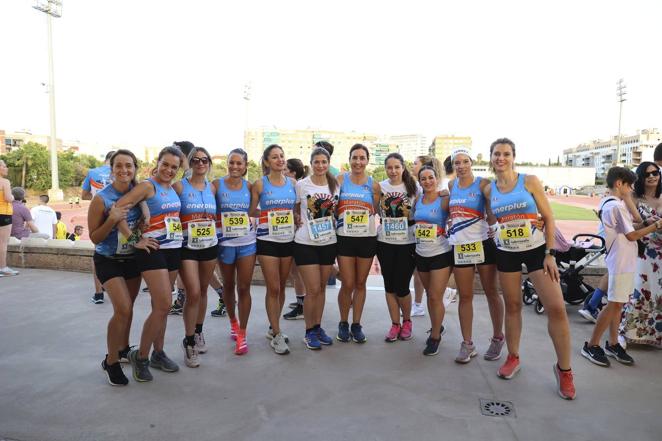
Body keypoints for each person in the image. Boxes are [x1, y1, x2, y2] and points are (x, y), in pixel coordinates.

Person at [483, 138, 576, 400]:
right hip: (507, 253)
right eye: (496, 154)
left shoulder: (529, 181)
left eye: (506, 154)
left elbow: (548, 217)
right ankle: (513, 357)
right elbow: (493, 218)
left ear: (513, 157)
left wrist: (549, 254)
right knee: (512, 306)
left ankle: (565, 370)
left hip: (537, 252)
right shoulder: (490, 190)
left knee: (556, 308)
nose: (501, 158)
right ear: (491, 158)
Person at [582, 166, 662, 367]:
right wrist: (656, 226)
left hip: (624, 259)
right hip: (620, 261)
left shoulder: (612, 203)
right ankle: (591, 345)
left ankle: (613, 343)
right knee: (613, 305)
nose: (631, 189)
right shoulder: (615, 206)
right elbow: (632, 235)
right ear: (619, 184)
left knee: (617, 304)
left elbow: (631, 227)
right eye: (629, 185)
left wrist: (646, 223)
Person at [118, 146, 185, 382]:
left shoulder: (172, 187)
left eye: (174, 167)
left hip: (173, 249)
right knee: (165, 303)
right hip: (152, 250)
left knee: (163, 307)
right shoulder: (148, 186)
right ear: (157, 163)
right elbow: (118, 210)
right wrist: (135, 239)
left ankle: (158, 352)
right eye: (165, 164)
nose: (168, 170)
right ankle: (141, 356)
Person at [87, 149, 144, 386]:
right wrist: (111, 220)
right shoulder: (101, 199)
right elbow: (95, 238)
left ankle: (122, 349)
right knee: (122, 309)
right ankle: (110, 361)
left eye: (128, 165)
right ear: (111, 170)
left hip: (132, 259)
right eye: (119, 166)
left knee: (129, 310)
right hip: (108, 260)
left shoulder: (139, 194)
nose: (124, 170)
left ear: (135, 168)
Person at [447, 148, 505, 363]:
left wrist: (496, 227)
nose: (461, 166)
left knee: (491, 292)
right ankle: (467, 344)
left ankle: (498, 337)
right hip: (461, 245)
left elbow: (492, 211)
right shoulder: (452, 185)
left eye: (464, 162)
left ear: (471, 162)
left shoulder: (483, 184)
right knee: (465, 295)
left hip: (482, 243)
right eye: (456, 163)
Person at [249, 144, 297, 355]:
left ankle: (273, 327)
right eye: (275, 157)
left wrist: (294, 218)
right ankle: (277, 334)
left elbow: (296, 211)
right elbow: (252, 211)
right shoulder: (260, 184)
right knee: (274, 288)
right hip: (267, 239)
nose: (280, 160)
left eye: (282, 156)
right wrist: (267, 216)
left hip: (287, 239)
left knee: (283, 287)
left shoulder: (293, 183)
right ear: (267, 162)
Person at [174, 146, 219, 368]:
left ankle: (198, 331)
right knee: (192, 292)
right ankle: (189, 340)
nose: (200, 163)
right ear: (189, 164)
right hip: (187, 246)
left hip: (209, 245)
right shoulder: (180, 186)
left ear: (209, 163)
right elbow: (163, 204)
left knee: (202, 291)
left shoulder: (212, 187)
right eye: (196, 160)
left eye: (204, 160)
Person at [293, 147, 339, 350]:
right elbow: (295, 209)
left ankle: (318, 327)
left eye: (323, 162)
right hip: (305, 243)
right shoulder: (302, 185)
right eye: (316, 162)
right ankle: (309, 331)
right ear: (310, 164)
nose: (320, 166)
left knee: (321, 289)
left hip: (328, 242)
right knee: (312, 290)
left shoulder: (335, 185)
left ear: (328, 163)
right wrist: (295, 219)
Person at [335, 144, 380, 343]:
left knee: (361, 283)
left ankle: (356, 324)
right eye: (355, 157)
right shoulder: (340, 180)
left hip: (366, 239)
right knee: (347, 283)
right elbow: (331, 206)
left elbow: (376, 210)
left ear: (367, 161)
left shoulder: (374, 185)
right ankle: (343, 322)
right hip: (344, 238)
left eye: (362, 158)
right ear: (349, 159)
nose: (358, 162)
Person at [214, 148, 256, 355]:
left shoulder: (249, 186)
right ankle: (233, 321)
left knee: (244, 287)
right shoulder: (216, 185)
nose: (235, 167)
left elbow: (256, 210)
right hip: (225, 244)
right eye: (232, 162)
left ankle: (243, 333)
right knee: (228, 286)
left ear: (245, 166)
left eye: (239, 163)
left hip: (247, 242)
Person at [618, 162, 662, 348]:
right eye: (647, 174)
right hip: (642, 252)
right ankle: (624, 332)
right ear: (641, 178)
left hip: (660, 254)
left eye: (655, 172)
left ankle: (655, 335)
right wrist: (647, 225)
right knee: (637, 290)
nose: (652, 176)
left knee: (658, 293)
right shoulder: (634, 199)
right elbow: (627, 227)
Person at [377, 153, 418, 343]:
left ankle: (407, 321)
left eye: (396, 167)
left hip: (407, 242)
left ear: (403, 167)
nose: (393, 171)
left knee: (402, 286)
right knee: (389, 286)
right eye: (389, 167)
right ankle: (395, 324)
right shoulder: (380, 186)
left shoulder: (414, 187)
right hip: (385, 242)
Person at [413, 165, 452, 355]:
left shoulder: (445, 199)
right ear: (419, 182)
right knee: (430, 295)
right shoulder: (417, 201)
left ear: (436, 179)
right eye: (423, 179)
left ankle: (435, 336)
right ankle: (437, 325)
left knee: (436, 295)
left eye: (430, 178)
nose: (427, 181)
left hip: (441, 253)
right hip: (421, 253)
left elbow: (457, 216)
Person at [82, 151, 114, 305]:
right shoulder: (124, 171)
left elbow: (84, 195)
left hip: (98, 216)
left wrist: (97, 197)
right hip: (119, 214)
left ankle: (99, 293)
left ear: (105, 159)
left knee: (98, 252)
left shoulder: (92, 172)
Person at [283, 158, 309, 320]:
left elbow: (297, 210)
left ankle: (302, 305)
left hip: (298, 234)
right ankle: (302, 301)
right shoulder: (295, 184)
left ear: (293, 173)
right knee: (295, 271)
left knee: (297, 272)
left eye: (286, 169)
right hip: (291, 233)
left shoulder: (297, 185)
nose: (283, 171)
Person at [0, 159, 18, 277]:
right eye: (4, 166)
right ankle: (3, 267)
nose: (7, 168)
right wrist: (12, 196)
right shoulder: (5, 182)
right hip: (3, 214)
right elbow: (8, 198)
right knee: (3, 243)